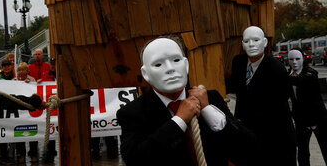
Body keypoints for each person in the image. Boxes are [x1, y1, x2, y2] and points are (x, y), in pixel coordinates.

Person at [117, 37, 256, 166]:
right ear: (146, 74)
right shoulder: (133, 113)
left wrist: (209, 111)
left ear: (186, 65)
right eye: (158, 64)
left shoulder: (211, 98)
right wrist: (179, 120)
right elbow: (135, 160)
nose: (170, 69)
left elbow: (248, 152)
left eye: (176, 60)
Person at [227, 26, 296, 165]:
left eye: (256, 40)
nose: (251, 44)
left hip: (275, 136)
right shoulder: (238, 62)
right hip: (246, 132)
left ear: (265, 42)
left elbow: (279, 106)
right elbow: (232, 85)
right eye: (247, 41)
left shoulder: (277, 69)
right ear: (242, 44)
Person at [288, 48, 327, 166]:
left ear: (303, 59)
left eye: (297, 59)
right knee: (302, 154)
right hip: (301, 121)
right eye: (291, 59)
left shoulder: (311, 73)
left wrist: (280, 75)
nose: (294, 62)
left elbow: (301, 80)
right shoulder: (289, 75)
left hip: (319, 120)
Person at [27, 49, 57, 163]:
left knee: (51, 125)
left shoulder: (49, 66)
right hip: (35, 102)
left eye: (39, 54)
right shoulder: (30, 68)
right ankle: (33, 152)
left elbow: (55, 77)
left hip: (48, 100)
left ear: (43, 55)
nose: (37, 56)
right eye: (36, 54)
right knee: (32, 125)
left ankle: (51, 152)